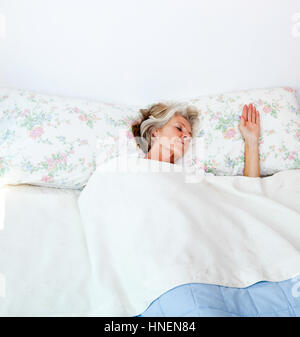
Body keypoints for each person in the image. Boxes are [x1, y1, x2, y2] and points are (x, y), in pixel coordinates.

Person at [131, 102, 260, 177]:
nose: (187, 137)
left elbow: (248, 194)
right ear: (155, 132)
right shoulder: (127, 168)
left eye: (189, 135)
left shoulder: (191, 176)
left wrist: (251, 141)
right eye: (179, 128)